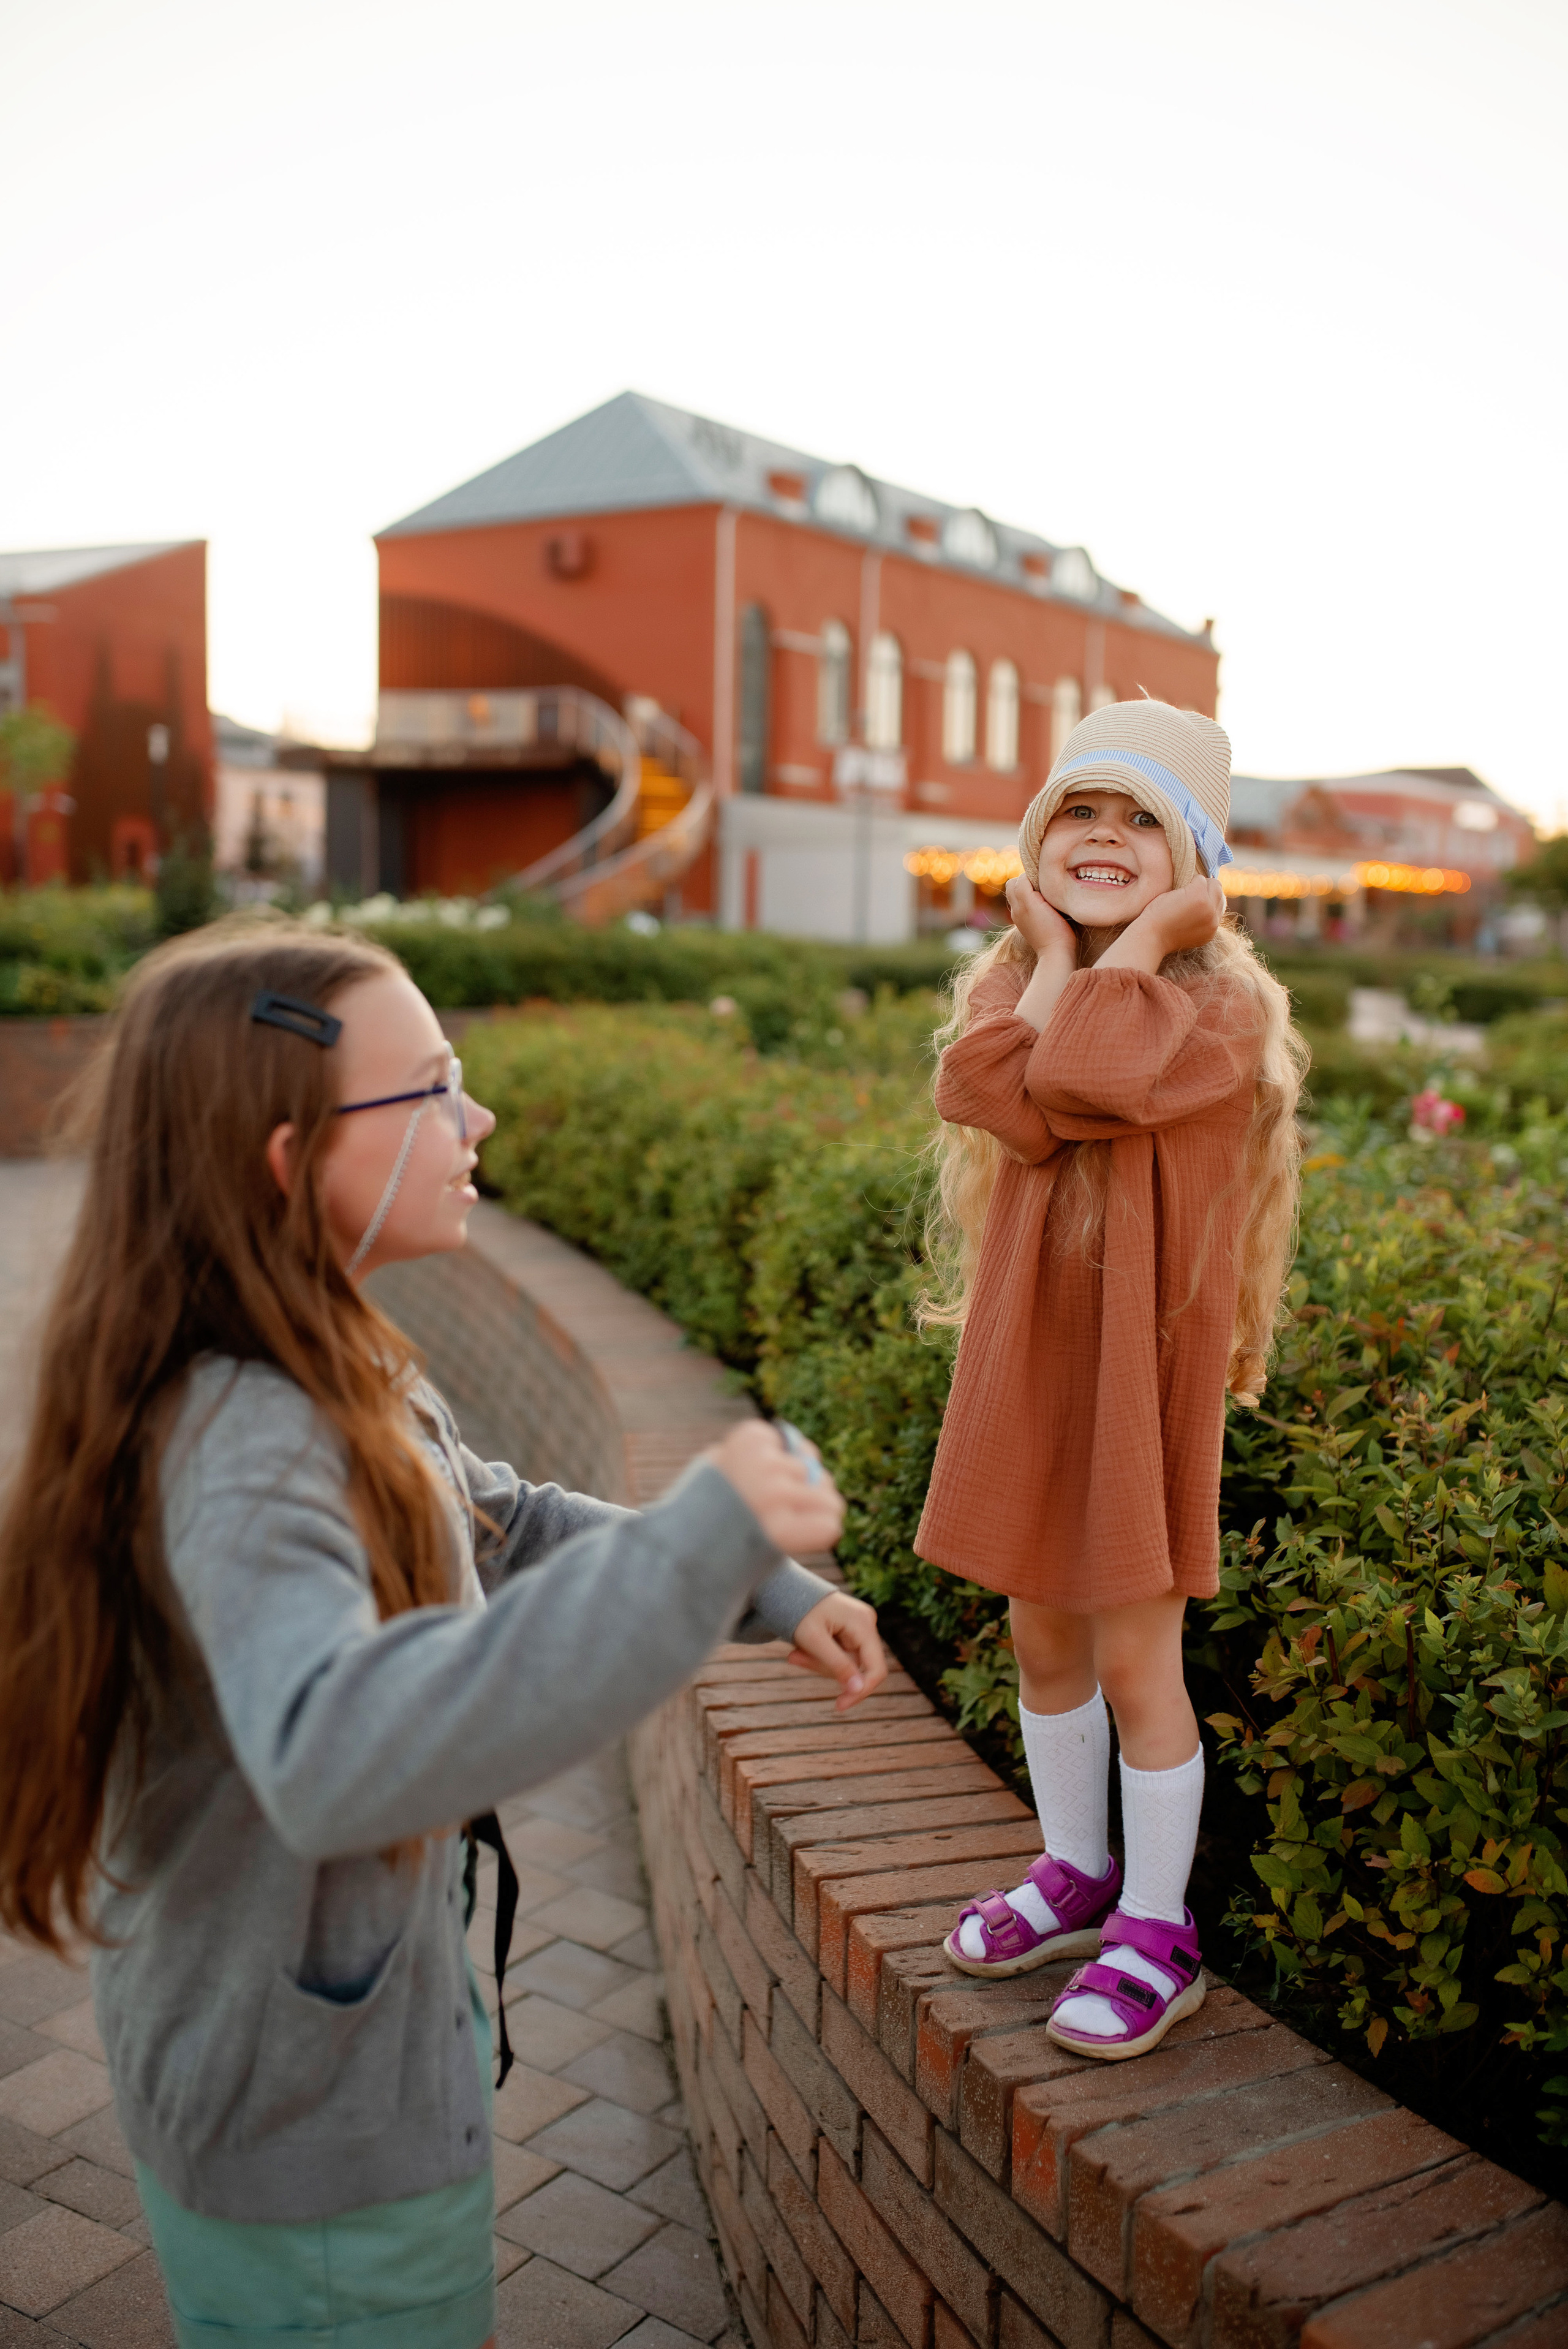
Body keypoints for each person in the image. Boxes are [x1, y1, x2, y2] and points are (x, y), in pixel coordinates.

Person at [0, 921, 884, 2349]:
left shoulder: (332, 1359)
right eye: (435, 1088)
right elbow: (335, 1752)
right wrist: (685, 1555)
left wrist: (767, 1591)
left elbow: (508, 1521)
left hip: (345, 2073)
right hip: (313, 2160)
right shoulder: (250, 1439)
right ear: (287, 1160)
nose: (479, 1118)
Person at [917, 698, 1305, 2060]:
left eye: (1140, 820)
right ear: (1036, 842)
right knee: (1041, 1633)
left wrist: (1128, 946)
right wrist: (1040, 955)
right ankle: (1073, 1871)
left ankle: (1156, 1925)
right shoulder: (1016, 985)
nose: (1100, 837)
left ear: (1195, 863)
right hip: (1034, 1356)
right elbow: (990, 1094)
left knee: (1137, 1653)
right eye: (1076, 812)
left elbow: (1083, 1073)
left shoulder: (1216, 1012)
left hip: (1138, 1365)